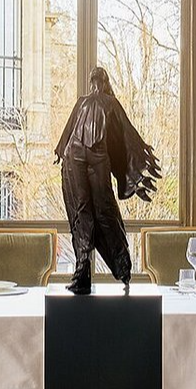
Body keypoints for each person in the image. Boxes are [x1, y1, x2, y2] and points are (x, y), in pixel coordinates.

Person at [54, 67, 162, 295]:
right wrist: (60, 151)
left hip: (89, 156)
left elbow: (126, 133)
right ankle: (87, 269)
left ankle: (114, 264)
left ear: (99, 83)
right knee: (86, 210)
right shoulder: (90, 102)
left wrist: (140, 157)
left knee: (99, 209)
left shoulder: (104, 103)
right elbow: (71, 130)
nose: (96, 86)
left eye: (96, 81)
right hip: (78, 156)